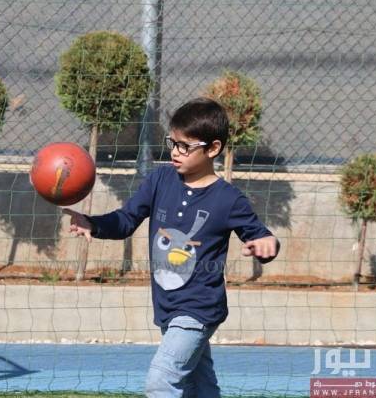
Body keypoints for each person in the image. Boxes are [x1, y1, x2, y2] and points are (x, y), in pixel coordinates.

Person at [63, 97, 280, 397]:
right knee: (199, 386)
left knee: (161, 381)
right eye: (173, 143)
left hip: (199, 309)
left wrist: (268, 243)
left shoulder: (229, 200)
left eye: (185, 146)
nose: (175, 152)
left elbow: (260, 235)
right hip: (167, 305)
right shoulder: (160, 180)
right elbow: (126, 219)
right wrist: (93, 223)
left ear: (213, 149)